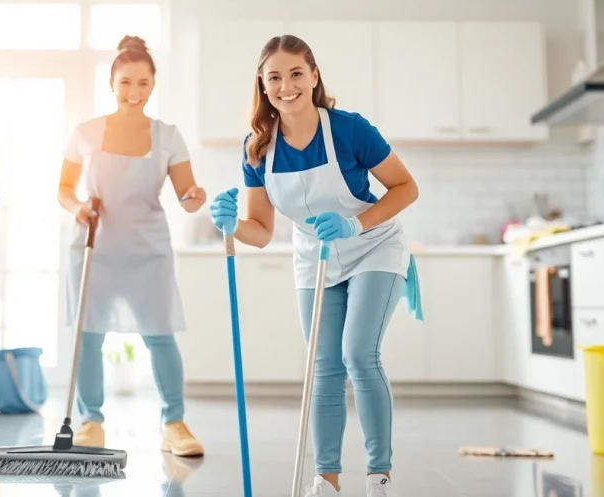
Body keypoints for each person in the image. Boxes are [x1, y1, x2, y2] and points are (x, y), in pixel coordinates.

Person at [208, 35, 422, 497]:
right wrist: (230, 226)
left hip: (373, 246)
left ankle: (378, 476)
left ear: (314, 75)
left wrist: (354, 223)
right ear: (263, 87)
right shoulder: (257, 148)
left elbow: (406, 188)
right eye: (275, 78)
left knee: (359, 354)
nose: (287, 86)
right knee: (323, 366)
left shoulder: (349, 129)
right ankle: (326, 480)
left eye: (296, 74)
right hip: (314, 256)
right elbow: (260, 232)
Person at [59, 35, 207, 457]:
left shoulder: (168, 137)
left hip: (148, 252)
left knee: (160, 336)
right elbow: (64, 189)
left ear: (153, 85)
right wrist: (78, 208)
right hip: (95, 248)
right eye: (126, 82)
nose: (134, 92)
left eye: (143, 84)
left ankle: (174, 424)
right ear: (112, 82)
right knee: (89, 336)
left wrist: (195, 197)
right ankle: (91, 422)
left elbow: (186, 193)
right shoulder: (85, 133)